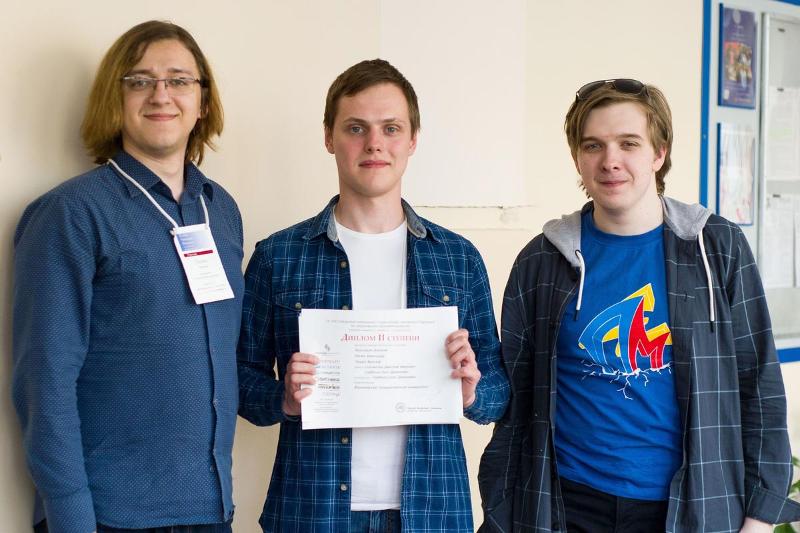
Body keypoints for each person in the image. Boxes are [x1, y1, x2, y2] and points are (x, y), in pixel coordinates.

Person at [478, 79, 800, 532]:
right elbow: (515, 399)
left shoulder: (716, 248)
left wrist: (761, 518)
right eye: (593, 145)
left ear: (658, 153)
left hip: (689, 505)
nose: (610, 160)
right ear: (577, 158)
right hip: (568, 505)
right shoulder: (543, 260)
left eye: (628, 143)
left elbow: (759, 382)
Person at [238, 58, 509, 532]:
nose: (374, 143)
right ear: (329, 137)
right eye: (356, 128)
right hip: (312, 514)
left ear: (413, 139)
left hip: (431, 514)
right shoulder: (278, 257)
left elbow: (499, 392)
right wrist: (284, 399)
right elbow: (239, 381)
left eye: (391, 128)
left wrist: (470, 391)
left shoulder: (459, 258)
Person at [12, 20, 243, 533]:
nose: (161, 94)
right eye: (139, 81)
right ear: (114, 100)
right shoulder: (70, 213)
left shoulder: (222, 211)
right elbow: (43, 383)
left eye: (179, 80)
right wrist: (71, 518)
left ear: (203, 102)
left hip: (212, 512)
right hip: (109, 517)